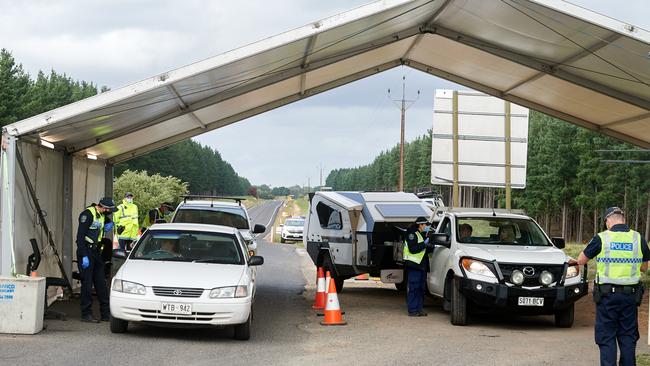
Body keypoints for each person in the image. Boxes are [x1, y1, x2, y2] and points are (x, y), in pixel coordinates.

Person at [571, 207, 650, 366]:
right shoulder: (638, 238)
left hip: (607, 297)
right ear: (623, 219)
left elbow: (581, 260)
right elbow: (644, 267)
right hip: (630, 297)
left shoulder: (602, 238)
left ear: (608, 220)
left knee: (607, 338)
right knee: (628, 337)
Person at [76, 197, 117, 323]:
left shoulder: (102, 215)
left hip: (96, 252)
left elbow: (105, 223)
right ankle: (86, 314)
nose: (109, 212)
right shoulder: (87, 214)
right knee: (87, 284)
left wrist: (110, 223)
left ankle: (106, 314)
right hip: (86, 252)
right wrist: (83, 255)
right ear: (105, 207)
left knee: (101, 284)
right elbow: (80, 236)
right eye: (109, 210)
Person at [403, 216, 435, 317]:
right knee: (414, 288)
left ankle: (419, 309)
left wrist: (431, 245)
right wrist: (424, 245)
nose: (426, 227)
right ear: (420, 225)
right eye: (425, 225)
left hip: (421, 266)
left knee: (421, 289)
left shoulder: (421, 235)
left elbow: (424, 249)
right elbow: (413, 249)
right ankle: (412, 310)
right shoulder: (412, 234)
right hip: (414, 266)